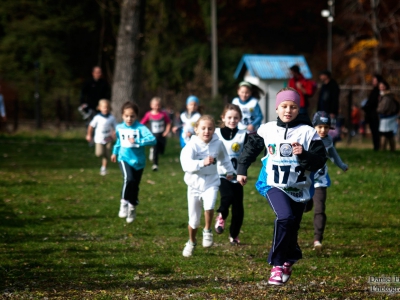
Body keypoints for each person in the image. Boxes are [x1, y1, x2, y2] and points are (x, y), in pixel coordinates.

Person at [236, 87, 327, 285]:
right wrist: (242, 168)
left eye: (293, 107)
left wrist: (303, 154)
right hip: (273, 184)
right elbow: (251, 149)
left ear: (298, 109)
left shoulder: (308, 133)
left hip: (300, 188)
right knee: (285, 218)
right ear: (276, 108)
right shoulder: (267, 129)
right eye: (284, 106)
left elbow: (320, 160)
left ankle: (289, 259)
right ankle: (277, 265)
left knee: (292, 225)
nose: (288, 110)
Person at [180, 115, 236, 257]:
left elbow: (224, 158)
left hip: (211, 182)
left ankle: (207, 230)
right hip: (194, 184)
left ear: (214, 130)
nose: (206, 131)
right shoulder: (191, 146)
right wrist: (201, 163)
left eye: (210, 128)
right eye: (203, 128)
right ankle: (191, 242)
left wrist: (230, 171)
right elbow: (186, 165)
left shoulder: (218, 144)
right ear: (196, 130)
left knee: (209, 205)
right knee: (193, 221)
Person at [304, 111, 348, 252]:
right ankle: (306, 203)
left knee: (320, 209)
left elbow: (333, 154)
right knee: (305, 207)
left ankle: (317, 239)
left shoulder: (328, 140)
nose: (323, 130)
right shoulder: (306, 138)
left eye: (326, 127)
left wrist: (342, 165)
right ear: (314, 126)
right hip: (305, 180)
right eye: (320, 127)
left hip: (320, 179)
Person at [111, 101, 156, 223]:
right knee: (128, 179)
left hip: (138, 161)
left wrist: (139, 140)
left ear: (136, 116)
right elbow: (119, 142)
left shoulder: (141, 128)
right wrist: (115, 152)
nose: (129, 118)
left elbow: (153, 140)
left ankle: (132, 207)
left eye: (132, 116)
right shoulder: (119, 128)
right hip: (124, 158)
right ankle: (124, 202)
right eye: (126, 116)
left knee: (135, 185)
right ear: (122, 116)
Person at [214, 104, 248, 245]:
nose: (232, 120)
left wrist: (243, 171)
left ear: (240, 118)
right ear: (223, 117)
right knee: (226, 197)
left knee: (238, 208)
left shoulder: (243, 134)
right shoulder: (215, 133)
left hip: (237, 176)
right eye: (229, 117)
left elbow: (247, 155)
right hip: (220, 174)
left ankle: (234, 235)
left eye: (235, 118)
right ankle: (221, 215)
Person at [86, 99, 117, 175]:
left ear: (109, 108)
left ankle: (103, 168)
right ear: (99, 108)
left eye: (107, 107)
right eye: (103, 107)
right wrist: (89, 135)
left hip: (108, 138)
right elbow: (91, 126)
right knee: (99, 153)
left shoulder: (112, 118)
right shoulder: (97, 117)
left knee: (107, 154)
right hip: (99, 139)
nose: (105, 109)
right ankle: (103, 159)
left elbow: (116, 127)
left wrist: (114, 133)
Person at [140, 97, 171, 171]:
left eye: (158, 105)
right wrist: (145, 132)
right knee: (156, 149)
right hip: (153, 136)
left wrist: (166, 131)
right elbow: (142, 124)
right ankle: (155, 165)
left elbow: (169, 123)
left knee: (161, 150)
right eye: (155, 105)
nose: (157, 107)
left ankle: (153, 150)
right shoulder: (148, 114)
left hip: (162, 135)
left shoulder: (163, 114)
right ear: (151, 105)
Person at [377, 80, 399, 151]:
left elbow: (383, 108)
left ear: (386, 87)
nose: (381, 88)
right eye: (380, 86)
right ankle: (391, 149)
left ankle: (383, 149)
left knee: (385, 134)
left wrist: (377, 110)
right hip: (388, 117)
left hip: (387, 117)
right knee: (389, 134)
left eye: (382, 86)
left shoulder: (387, 97)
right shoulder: (385, 96)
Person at [362, 74, 383, 150]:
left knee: (376, 132)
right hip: (370, 115)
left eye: (375, 80)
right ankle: (376, 147)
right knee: (373, 131)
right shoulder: (373, 91)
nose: (373, 82)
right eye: (373, 80)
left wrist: (366, 106)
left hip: (375, 115)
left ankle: (377, 147)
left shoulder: (379, 92)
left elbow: (372, 103)